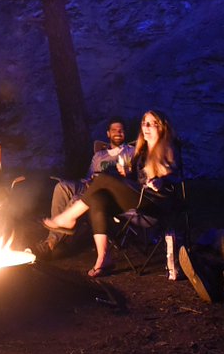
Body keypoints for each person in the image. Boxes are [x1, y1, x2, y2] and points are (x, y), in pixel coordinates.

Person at [44, 110, 182, 278]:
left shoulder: (168, 148)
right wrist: (126, 174)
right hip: (137, 199)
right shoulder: (141, 152)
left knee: (104, 178)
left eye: (151, 124)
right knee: (97, 198)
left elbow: (176, 178)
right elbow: (136, 180)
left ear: (161, 127)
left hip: (155, 204)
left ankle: (68, 217)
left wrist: (161, 182)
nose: (146, 127)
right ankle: (104, 258)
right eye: (144, 123)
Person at [34, 119, 135, 258]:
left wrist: (124, 172)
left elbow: (129, 176)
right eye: (114, 130)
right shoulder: (99, 155)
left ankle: (51, 243)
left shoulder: (129, 152)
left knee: (77, 199)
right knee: (62, 187)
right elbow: (88, 176)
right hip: (90, 185)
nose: (118, 132)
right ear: (108, 133)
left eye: (121, 130)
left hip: (107, 192)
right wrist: (86, 181)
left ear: (125, 133)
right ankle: (61, 234)